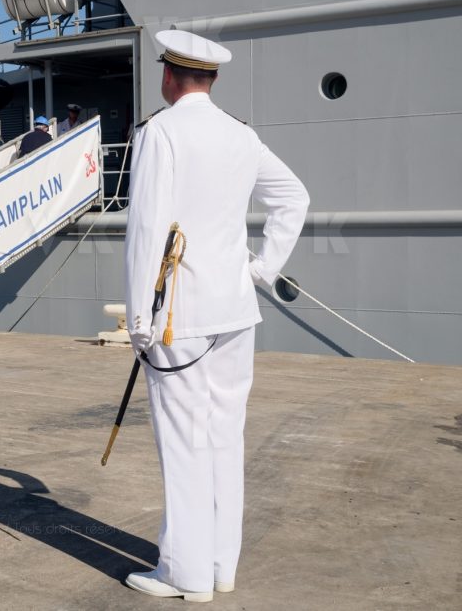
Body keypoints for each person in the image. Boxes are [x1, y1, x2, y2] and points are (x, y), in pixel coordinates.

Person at [123, 30, 309, 602]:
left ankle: (185, 575)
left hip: (180, 317)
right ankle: (222, 567)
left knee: (184, 443)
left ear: (169, 76)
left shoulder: (161, 133)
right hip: (236, 313)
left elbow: (148, 230)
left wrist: (138, 320)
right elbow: (294, 198)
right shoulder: (241, 136)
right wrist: (262, 268)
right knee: (226, 439)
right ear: (213, 78)